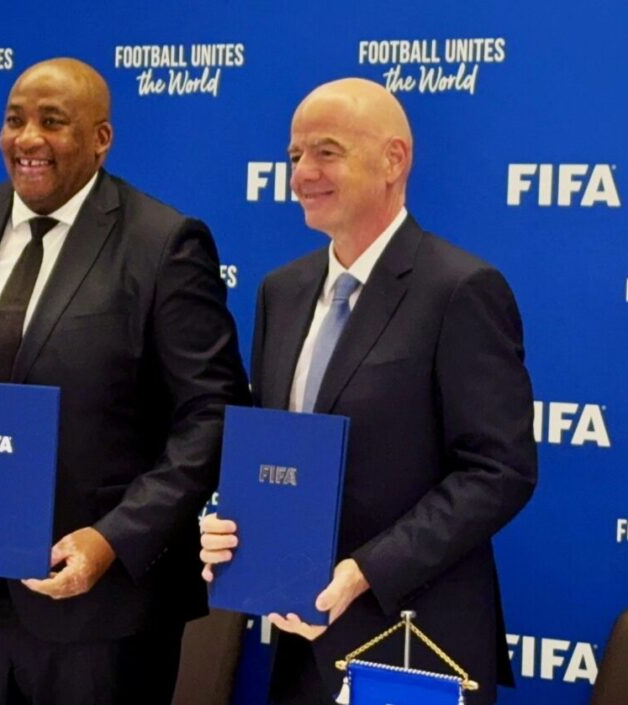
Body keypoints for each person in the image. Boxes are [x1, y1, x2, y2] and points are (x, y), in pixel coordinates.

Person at [0, 57, 249, 705]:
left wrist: (113, 539)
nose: (28, 138)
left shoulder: (163, 243)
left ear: (101, 138)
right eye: (15, 120)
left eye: (53, 121)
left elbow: (213, 414)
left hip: (105, 609)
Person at [200, 78, 537, 705]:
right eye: (295, 155)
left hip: (412, 642)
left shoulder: (461, 289)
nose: (302, 173)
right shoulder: (281, 291)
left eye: (326, 152)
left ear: (393, 160)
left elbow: (498, 471)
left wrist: (365, 572)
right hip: (298, 643)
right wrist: (229, 526)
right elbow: (275, 455)